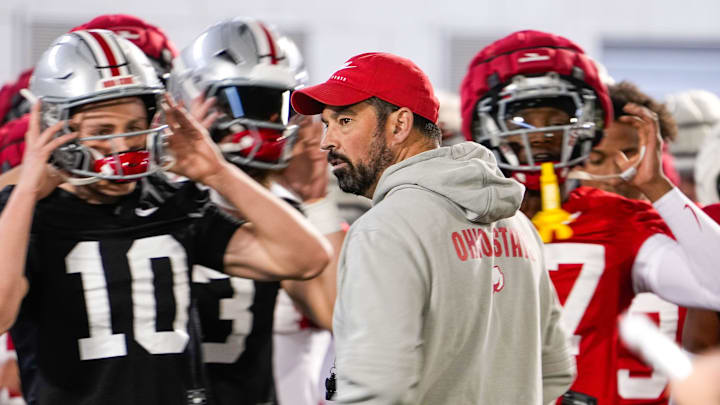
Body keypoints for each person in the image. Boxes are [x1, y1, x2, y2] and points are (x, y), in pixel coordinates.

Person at [0, 29, 331, 405]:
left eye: (134, 128)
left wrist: (218, 172)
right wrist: (25, 190)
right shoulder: (26, 212)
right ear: (56, 129)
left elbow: (306, 258)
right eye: (102, 131)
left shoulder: (171, 202)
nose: (122, 145)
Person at [291, 51, 574, 404]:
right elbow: (558, 368)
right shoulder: (516, 224)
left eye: (344, 121)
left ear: (399, 124)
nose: (326, 141)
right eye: (326, 124)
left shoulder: (385, 231)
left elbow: (378, 390)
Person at [460, 29, 720, 404]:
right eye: (524, 120)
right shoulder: (457, 215)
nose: (543, 133)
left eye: (556, 117)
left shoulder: (620, 219)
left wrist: (658, 188)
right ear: (488, 125)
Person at [168, 17, 342, 405]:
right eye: (247, 104)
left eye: (273, 107)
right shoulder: (160, 203)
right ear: (195, 98)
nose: (262, 123)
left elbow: (335, 315)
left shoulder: (286, 213)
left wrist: (316, 200)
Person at [580, 80, 686, 405]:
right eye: (597, 159)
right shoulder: (541, 233)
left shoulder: (692, 234)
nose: (615, 175)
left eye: (629, 155)